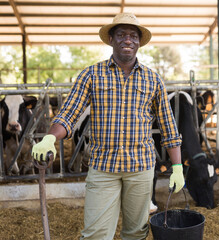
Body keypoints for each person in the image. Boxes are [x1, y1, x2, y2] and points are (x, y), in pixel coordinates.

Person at [32, 12, 184, 240]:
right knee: (95, 234)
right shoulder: (91, 75)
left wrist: (178, 167)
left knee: (136, 233)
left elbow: (168, 127)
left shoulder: (153, 80)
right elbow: (68, 114)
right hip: (103, 167)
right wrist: (50, 138)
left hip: (140, 168)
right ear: (111, 39)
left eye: (133, 35)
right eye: (121, 34)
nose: (128, 40)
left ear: (139, 42)